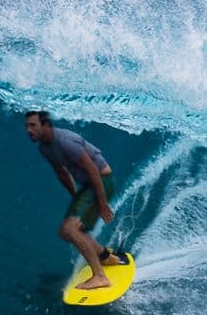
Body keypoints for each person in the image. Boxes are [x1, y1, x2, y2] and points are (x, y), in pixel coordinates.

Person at [25, 110, 129, 290]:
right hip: (87, 187)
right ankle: (106, 258)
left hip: (103, 181)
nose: (28, 129)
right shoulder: (44, 148)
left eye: (33, 125)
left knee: (72, 230)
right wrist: (76, 197)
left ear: (46, 125)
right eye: (26, 126)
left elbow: (94, 171)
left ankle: (100, 277)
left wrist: (102, 205)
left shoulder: (66, 142)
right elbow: (61, 173)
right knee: (66, 232)